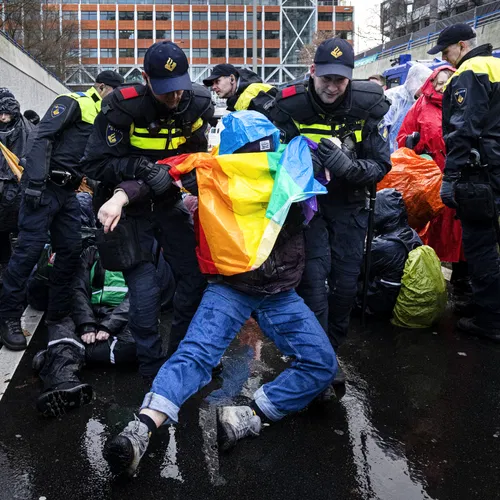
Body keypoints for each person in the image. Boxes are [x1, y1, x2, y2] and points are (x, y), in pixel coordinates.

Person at [100, 112, 337, 476]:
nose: (260, 164)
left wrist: (339, 157)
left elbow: (353, 168)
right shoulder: (210, 170)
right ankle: (141, 429)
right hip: (233, 287)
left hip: (280, 292)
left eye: (267, 153)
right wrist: (119, 197)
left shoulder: (294, 163)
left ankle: (250, 414)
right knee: (194, 355)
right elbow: (159, 175)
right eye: (252, 156)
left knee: (322, 364)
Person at [81, 41, 214, 379]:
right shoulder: (120, 108)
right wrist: (141, 167)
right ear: (145, 78)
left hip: (168, 199)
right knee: (144, 288)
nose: (174, 98)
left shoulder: (195, 104)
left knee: (194, 276)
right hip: (125, 206)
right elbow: (95, 164)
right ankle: (152, 362)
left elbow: (197, 157)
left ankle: (183, 352)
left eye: (179, 89)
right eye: (166, 91)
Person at [268, 38, 391, 383]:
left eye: (340, 80)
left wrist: (351, 168)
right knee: (313, 284)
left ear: (350, 78)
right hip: (309, 209)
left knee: (346, 286)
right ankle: (319, 363)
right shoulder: (288, 105)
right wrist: (297, 162)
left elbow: (382, 164)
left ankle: (329, 351)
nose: (333, 87)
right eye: (326, 79)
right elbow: (270, 159)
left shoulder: (368, 106)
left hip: (350, 205)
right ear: (312, 72)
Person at [0, 71, 123, 351]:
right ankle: (7, 317)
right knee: (27, 253)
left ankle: (57, 310)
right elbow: (42, 137)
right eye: (113, 91)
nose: (116, 97)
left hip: (68, 192)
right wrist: (33, 183)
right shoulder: (73, 102)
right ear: (100, 86)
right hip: (44, 188)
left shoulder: (108, 116)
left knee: (70, 248)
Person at [428, 24, 500, 341]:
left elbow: (463, 130)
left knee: (481, 246)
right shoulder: (497, 65)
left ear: (461, 45)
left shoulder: (470, 72)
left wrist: (452, 176)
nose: (447, 60)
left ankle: (490, 320)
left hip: (482, 175)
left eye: (446, 53)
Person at [396, 65, 469, 309]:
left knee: (461, 233)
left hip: (459, 178)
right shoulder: (420, 107)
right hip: (429, 182)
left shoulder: (464, 104)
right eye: (437, 82)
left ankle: (461, 286)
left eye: (446, 83)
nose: (440, 87)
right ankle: (425, 280)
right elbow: (402, 139)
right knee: (430, 231)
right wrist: (412, 142)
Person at [356, 188, 422, 317]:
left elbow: (357, 269)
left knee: (339, 286)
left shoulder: (384, 246)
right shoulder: (409, 232)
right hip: (398, 294)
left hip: (381, 301)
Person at [0, 88, 34, 280]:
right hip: (11, 188)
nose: (4, 117)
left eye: (7, 113)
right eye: (1, 113)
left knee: (20, 230)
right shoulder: (26, 128)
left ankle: (17, 270)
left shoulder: (26, 129)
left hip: (17, 187)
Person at [384, 63, 432, 153]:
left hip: (407, 153)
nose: (422, 90)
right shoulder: (392, 96)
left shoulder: (422, 101)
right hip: (388, 153)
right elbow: (384, 128)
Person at [203, 63, 276, 112]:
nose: (213, 87)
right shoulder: (237, 99)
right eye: (212, 84)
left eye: (217, 81)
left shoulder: (253, 92)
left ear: (232, 78)